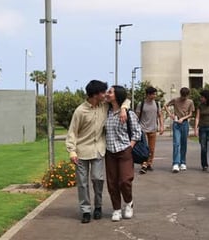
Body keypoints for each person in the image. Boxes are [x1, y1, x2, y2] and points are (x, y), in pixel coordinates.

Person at [65, 80, 129, 223]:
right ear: (95, 94)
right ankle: (86, 210)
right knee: (82, 183)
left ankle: (98, 207)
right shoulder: (80, 111)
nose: (106, 94)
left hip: (99, 150)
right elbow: (72, 132)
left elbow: (124, 99)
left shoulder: (104, 106)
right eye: (103, 92)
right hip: (81, 151)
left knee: (97, 180)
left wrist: (124, 108)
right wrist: (72, 151)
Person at [105, 86, 142, 222]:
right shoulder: (106, 111)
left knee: (125, 180)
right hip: (109, 152)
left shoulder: (129, 113)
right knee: (112, 182)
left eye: (110, 92)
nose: (107, 94)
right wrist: (122, 107)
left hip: (124, 150)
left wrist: (130, 146)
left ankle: (129, 202)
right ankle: (116, 209)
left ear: (117, 95)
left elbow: (137, 132)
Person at [164, 87, 195, 173]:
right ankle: (175, 163)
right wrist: (170, 114)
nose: (183, 98)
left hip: (184, 123)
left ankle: (183, 162)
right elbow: (165, 105)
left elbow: (191, 114)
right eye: (182, 96)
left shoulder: (190, 102)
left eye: (185, 96)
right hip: (176, 123)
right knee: (176, 143)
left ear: (187, 95)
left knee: (183, 143)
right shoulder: (175, 100)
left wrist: (183, 118)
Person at [136, 86, 164, 174]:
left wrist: (162, 126)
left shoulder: (157, 103)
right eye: (153, 94)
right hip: (142, 129)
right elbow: (137, 116)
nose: (155, 96)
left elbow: (160, 115)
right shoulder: (141, 104)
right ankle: (144, 164)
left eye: (155, 94)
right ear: (148, 94)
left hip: (153, 129)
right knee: (144, 149)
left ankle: (149, 164)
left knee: (151, 149)